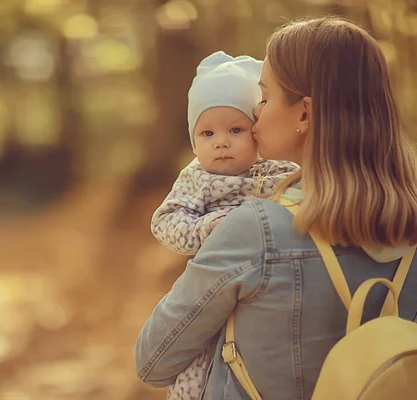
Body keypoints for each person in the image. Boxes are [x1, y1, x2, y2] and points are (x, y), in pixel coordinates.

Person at [136, 16, 417, 400]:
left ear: (304, 113)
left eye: (263, 99)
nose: (255, 118)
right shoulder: (408, 222)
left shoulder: (255, 229)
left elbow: (152, 361)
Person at [151, 51, 298, 257]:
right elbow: (165, 221)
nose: (221, 143)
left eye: (235, 130)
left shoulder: (279, 167)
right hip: (225, 262)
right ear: (194, 143)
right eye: (208, 133)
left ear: (256, 131)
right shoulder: (196, 177)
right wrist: (206, 227)